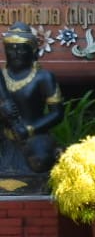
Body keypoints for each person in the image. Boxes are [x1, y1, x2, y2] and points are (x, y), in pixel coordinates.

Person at [1, 22, 64, 185]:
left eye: (21, 48)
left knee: (41, 161)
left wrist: (29, 129)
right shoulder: (2, 77)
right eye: (11, 48)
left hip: (34, 136)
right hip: (5, 136)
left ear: (33, 50)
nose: (15, 53)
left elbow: (57, 114)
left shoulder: (43, 78)